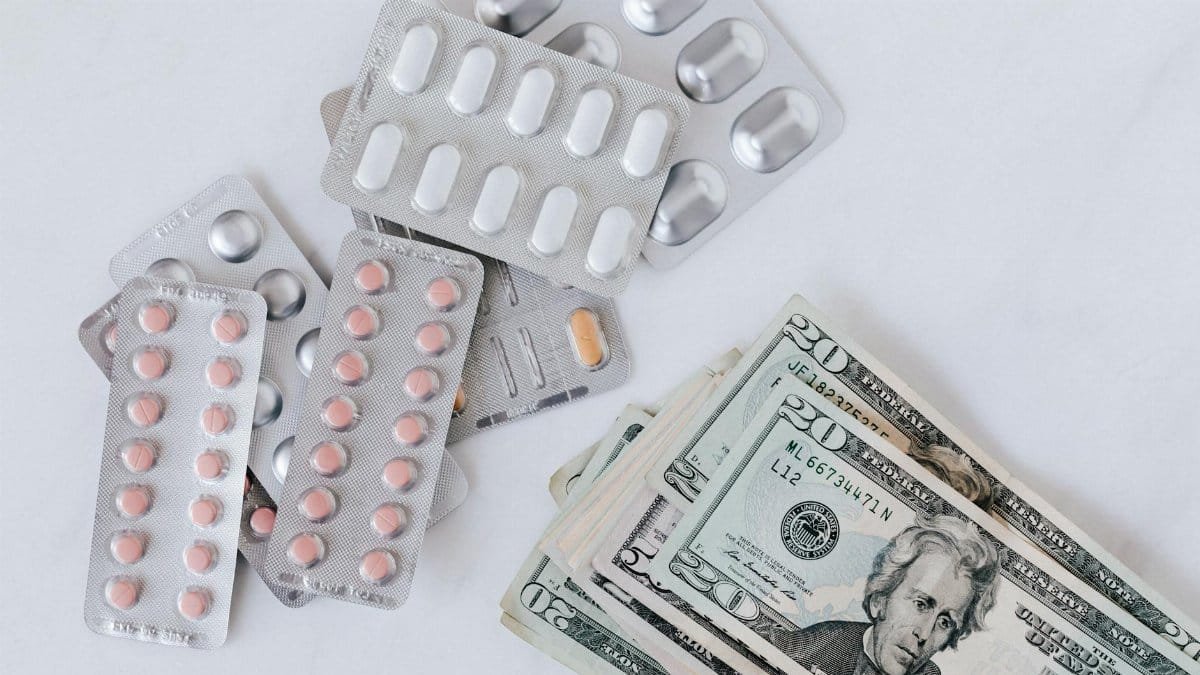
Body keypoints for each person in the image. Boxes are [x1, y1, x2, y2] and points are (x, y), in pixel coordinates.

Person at [785, 513, 1000, 675]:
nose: (924, 634)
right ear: (880, 599)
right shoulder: (816, 647)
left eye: (945, 622)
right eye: (921, 604)